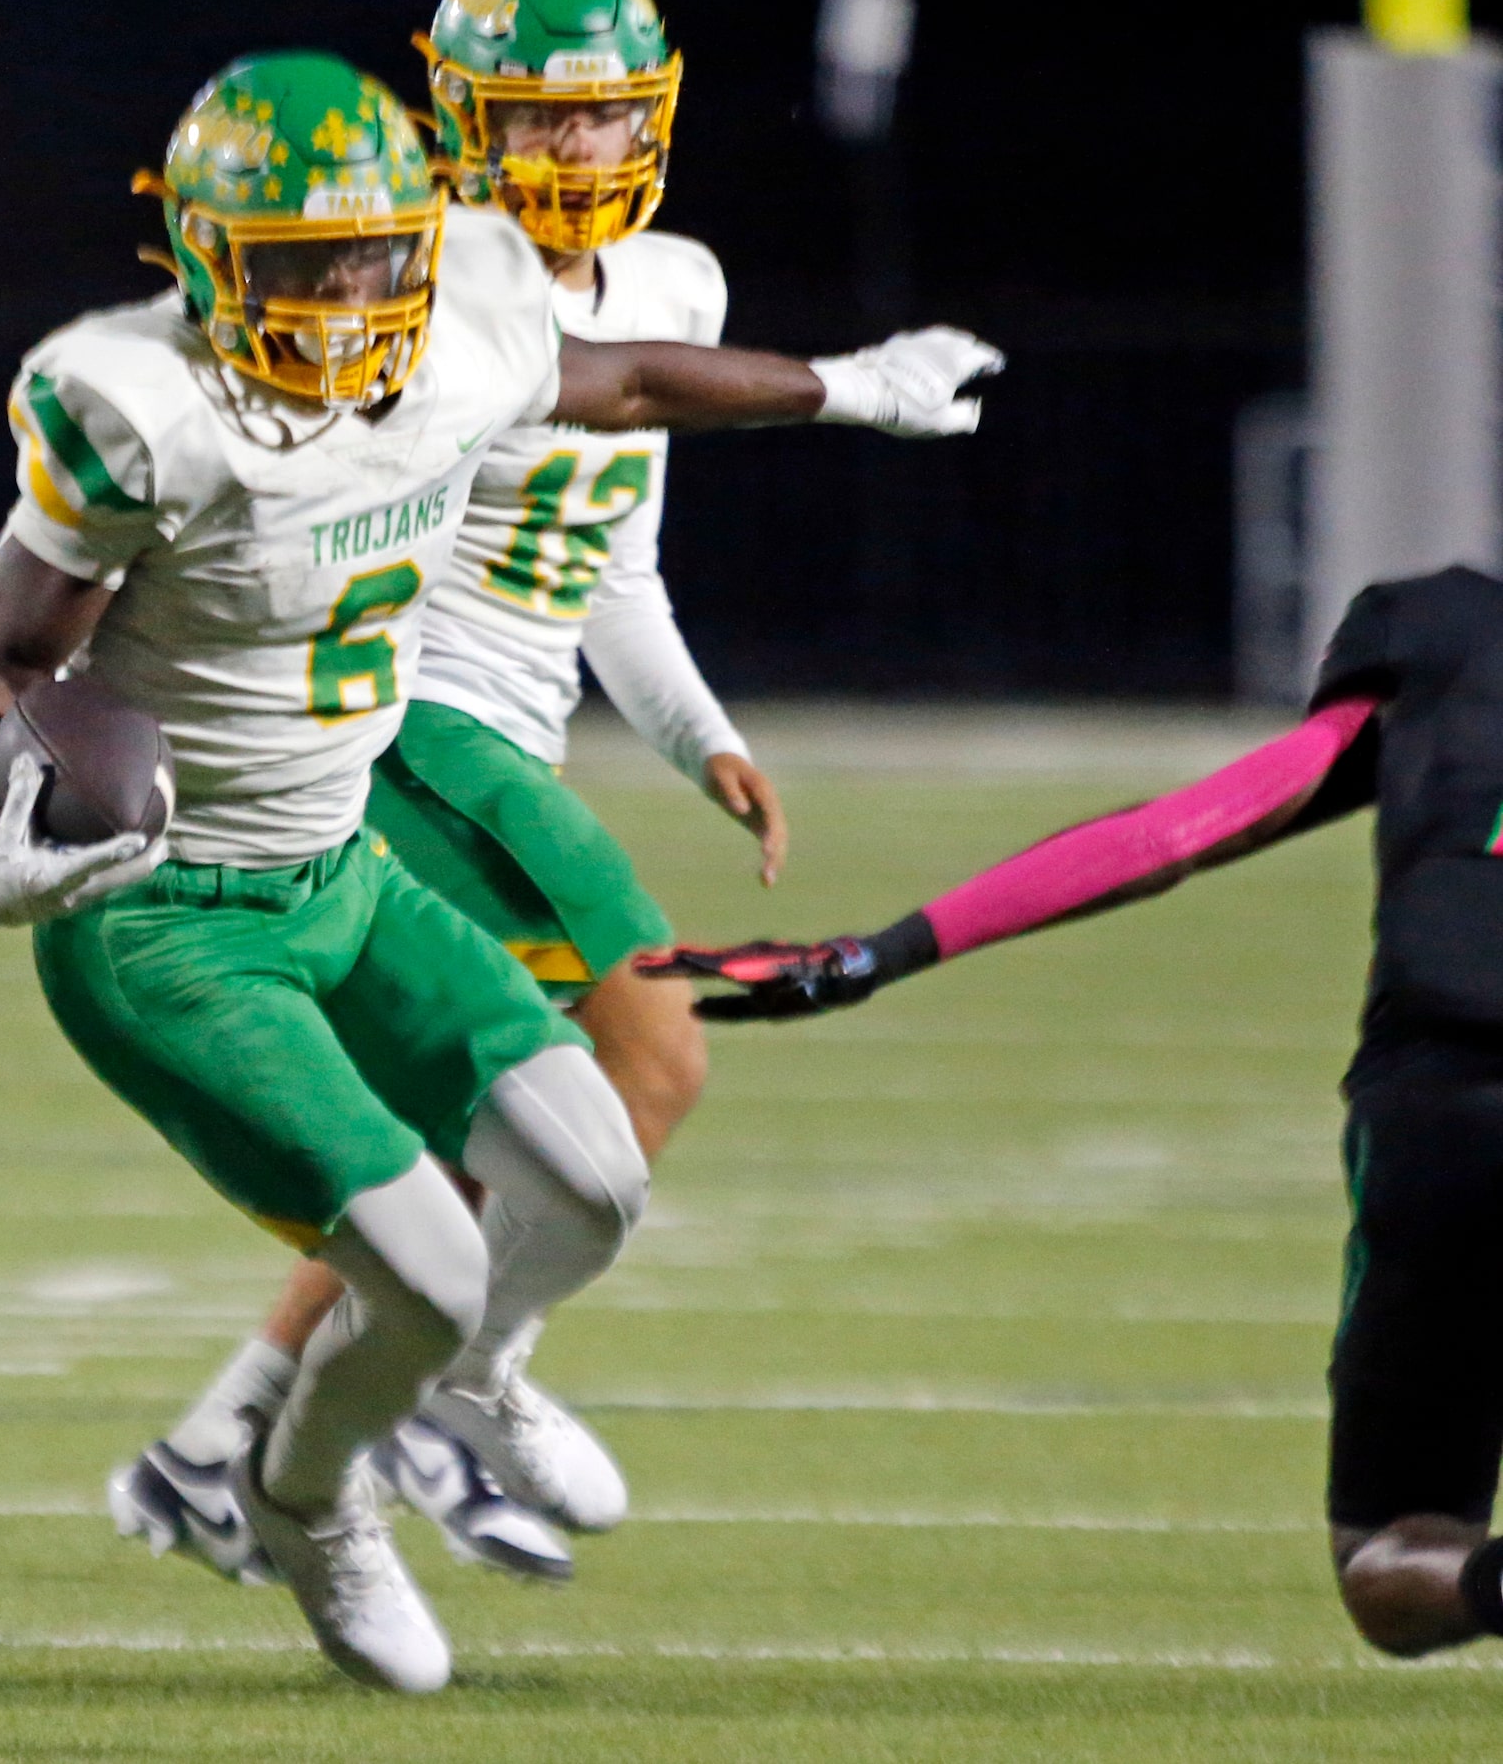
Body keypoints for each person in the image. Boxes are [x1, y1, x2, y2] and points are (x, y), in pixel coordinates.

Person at [0, 50, 999, 1691]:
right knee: (426, 1263)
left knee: (592, 1179)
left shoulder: (459, 341)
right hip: (162, 920)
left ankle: (449, 1389)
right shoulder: (138, 411)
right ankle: (299, 1497)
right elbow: (7, 667)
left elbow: (631, 381)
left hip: (339, 880)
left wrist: (845, 386)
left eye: (368, 253)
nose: (343, 292)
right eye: (296, 262)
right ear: (204, 258)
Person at [642, 565, 1503, 1661]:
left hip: (1437, 1115)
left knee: (1387, 1570)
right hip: (1438, 1096)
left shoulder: (1441, 627)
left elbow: (1181, 831)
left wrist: (877, 952)